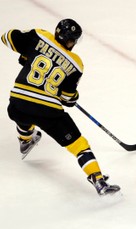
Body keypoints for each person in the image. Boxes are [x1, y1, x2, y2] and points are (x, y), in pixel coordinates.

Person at [1, 19, 120, 196]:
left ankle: (25, 140)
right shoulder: (76, 63)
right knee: (79, 145)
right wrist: (72, 99)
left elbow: (7, 37)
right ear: (72, 40)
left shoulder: (39, 35)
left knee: (23, 115)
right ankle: (98, 180)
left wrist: (27, 53)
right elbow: (66, 97)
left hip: (17, 103)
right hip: (48, 111)